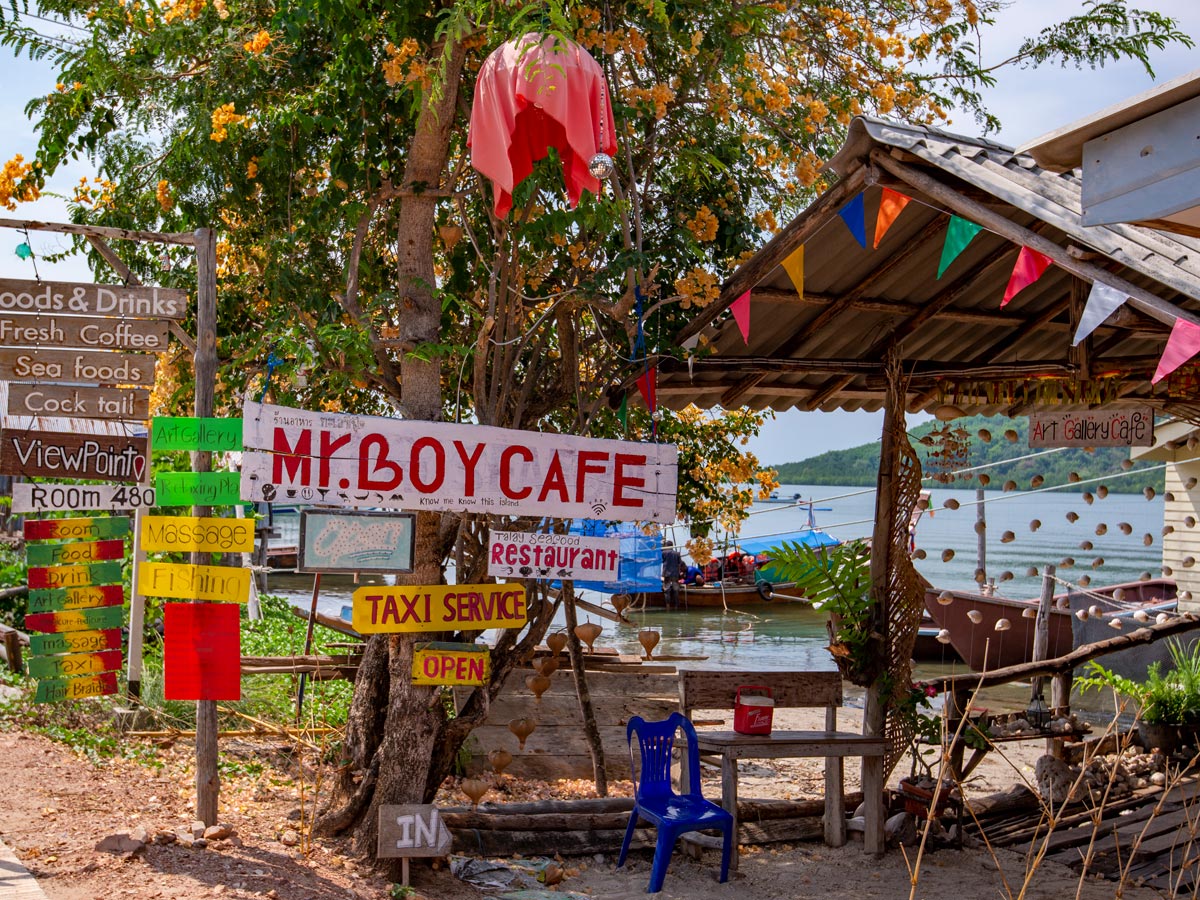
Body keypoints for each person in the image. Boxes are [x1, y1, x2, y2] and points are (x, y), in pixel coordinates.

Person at [661, 540, 683, 609]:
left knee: (667, 590)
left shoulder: (663, 553)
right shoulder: (677, 554)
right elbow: (680, 563)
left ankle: (668, 606)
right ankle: (676, 606)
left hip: (666, 574)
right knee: (676, 590)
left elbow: (660, 561)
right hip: (675, 574)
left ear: (666, 546)